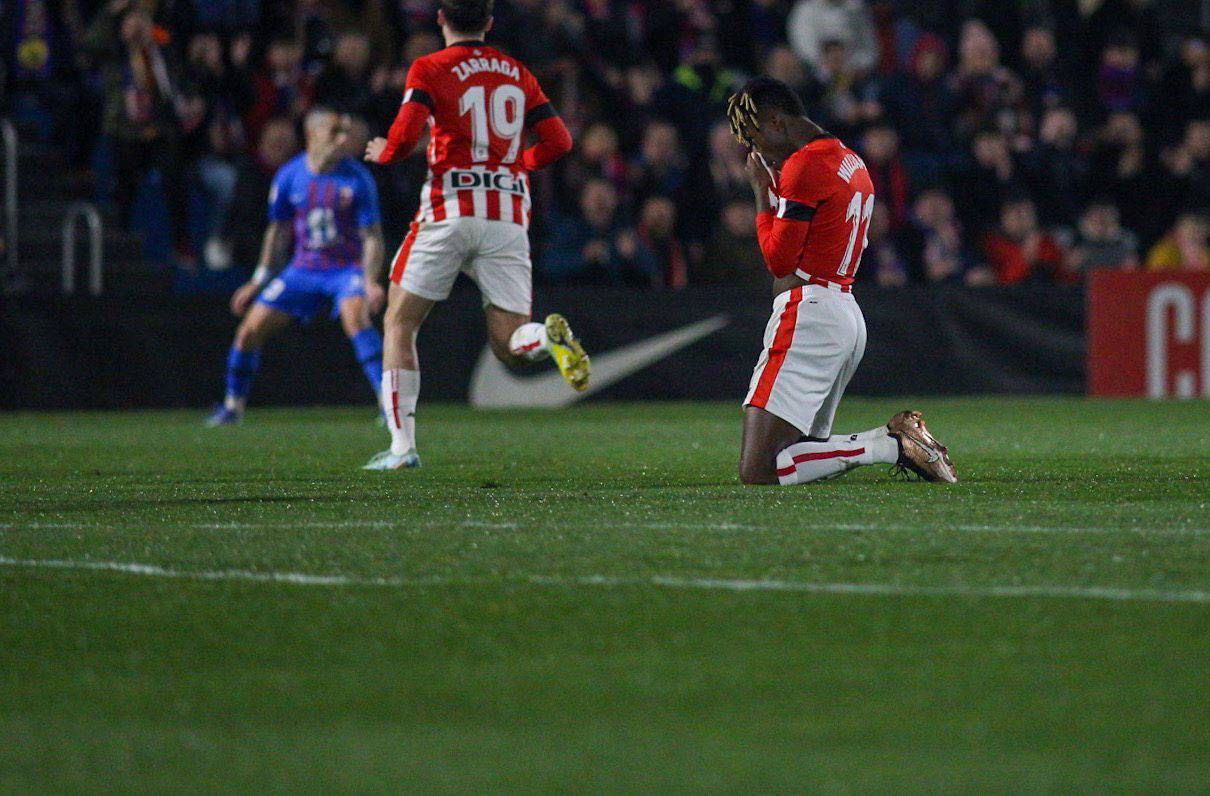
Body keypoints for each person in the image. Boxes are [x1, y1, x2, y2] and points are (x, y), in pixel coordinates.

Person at [361, 0, 581, 470]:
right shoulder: (516, 71)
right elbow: (559, 141)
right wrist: (520, 164)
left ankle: (402, 448)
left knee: (400, 323)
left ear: (441, 19)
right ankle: (545, 336)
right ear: (489, 23)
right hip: (506, 215)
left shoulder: (430, 66)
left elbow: (405, 134)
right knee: (509, 345)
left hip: (450, 207)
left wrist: (386, 152)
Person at [725, 77, 957, 486]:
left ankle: (890, 443)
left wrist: (762, 195)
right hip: (843, 311)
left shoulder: (804, 165)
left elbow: (780, 261)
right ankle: (889, 443)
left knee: (758, 470)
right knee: (800, 457)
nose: (758, 152)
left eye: (757, 138)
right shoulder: (849, 158)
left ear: (776, 121)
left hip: (809, 314)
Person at [204, 108, 387, 426]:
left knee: (356, 319)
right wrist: (259, 280)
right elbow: (278, 231)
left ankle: (389, 405)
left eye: (345, 132)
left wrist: (370, 280)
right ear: (312, 135)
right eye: (335, 132)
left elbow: (371, 236)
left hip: (345, 270)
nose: (343, 139)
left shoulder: (358, 177)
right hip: (302, 270)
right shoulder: (289, 175)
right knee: (248, 330)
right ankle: (233, 407)